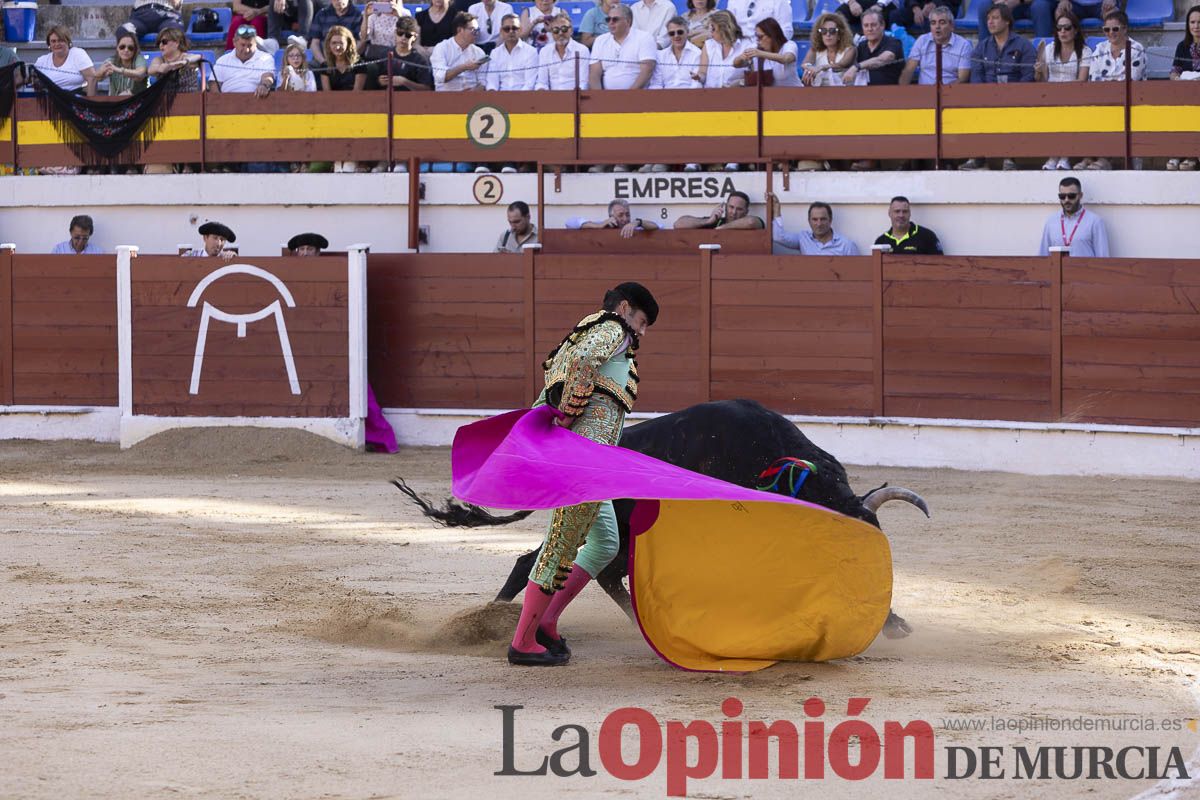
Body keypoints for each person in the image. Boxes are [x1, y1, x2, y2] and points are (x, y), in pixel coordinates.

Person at [507, 282, 659, 666]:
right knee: (560, 545)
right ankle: (523, 642)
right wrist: (568, 415)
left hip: (590, 463)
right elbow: (582, 362)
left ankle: (546, 621)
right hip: (582, 461)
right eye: (642, 322)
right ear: (624, 308)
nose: (642, 332)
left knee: (605, 541)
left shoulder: (591, 331)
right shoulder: (612, 329)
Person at [959, 3, 1035, 171]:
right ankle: (977, 157)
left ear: (1007, 21)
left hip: (1016, 97)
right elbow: (976, 77)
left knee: (1010, 111)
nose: (990, 22)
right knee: (972, 110)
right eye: (988, 19)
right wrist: (987, 97)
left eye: (995, 18)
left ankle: (1009, 156)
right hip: (986, 97)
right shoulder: (981, 47)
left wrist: (1012, 95)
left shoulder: (1024, 45)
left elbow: (1028, 76)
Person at [1077, 10, 1144, 170]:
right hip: (1103, 98)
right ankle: (1089, 157)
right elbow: (1094, 78)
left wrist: (1109, 84)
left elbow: (1132, 78)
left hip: (1131, 99)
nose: (1110, 33)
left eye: (1115, 29)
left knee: (1111, 112)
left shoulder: (1136, 49)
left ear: (1125, 29)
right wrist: (1112, 84)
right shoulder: (1100, 48)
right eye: (1107, 29)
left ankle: (1104, 158)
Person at [1036, 10, 1090, 171]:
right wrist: (1038, 72)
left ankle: (1064, 156)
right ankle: (1053, 156)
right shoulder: (1049, 49)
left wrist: (1061, 91)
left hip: (1075, 96)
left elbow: (1082, 80)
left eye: (1067, 28)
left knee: (1067, 113)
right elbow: (1042, 81)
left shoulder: (1084, 51)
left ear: (1075, 30)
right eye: (1059, 28)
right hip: (1051, 96)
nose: (1063, 32)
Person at [588, 4, 656, 91]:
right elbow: (594, 74)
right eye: (608, 19)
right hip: (607, 96)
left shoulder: (644, 37)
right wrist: (599, 96)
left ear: (628, 21)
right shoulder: (600, 40)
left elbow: (647, 71)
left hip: (637, 94)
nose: (611, 22)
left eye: (615, 19)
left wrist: (628, 95)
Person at [899, 6, 972, 85]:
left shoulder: (963, 45)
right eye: (933, 23)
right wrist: (902, 90)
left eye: (942, 22)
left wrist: (943, 90)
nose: (937, 27)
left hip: (951, 90)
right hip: (924, 90)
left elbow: (962, 79)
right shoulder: (922, 40)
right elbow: (908, 70)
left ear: (951, 26)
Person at [1038, 176, 1109, 256]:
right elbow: (1043, 256)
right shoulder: (1051, 222)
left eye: (1071, 196)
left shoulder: (1095, 222)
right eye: (1062, 196)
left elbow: (1103, 257)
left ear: (1080, 195)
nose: (1066, 200)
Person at [1166, 5, 1200, 171]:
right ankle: (1181, 152)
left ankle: (1192, 155)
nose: (1196, 26)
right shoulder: (1182, 46)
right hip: (1186, 93)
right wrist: (1178, 79)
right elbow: (1174, 71)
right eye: (1192, 22)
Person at [771, 199, 860, 255]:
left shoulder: (846, 245)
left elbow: (856, 271)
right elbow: (778, 237)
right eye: (815, 219)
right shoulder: (803, 238)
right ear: (809, 221)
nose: (819, 224)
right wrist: (777, 210)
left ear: (830, 220)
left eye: (823, 219)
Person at [842, 7, 904, 87]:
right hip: (865, 91)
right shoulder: (861, 46)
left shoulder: (893, 42)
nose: (870, 29)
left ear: (882, 25)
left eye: (873, 25)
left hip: (890, 92)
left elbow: (882, 60)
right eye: (866, 25)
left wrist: (856, 67)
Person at [733, 17, 801, 88]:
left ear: (772, 35)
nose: (758, 40)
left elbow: (786, 58)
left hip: (793, 91)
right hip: (769, 93)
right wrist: (742, 57)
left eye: (760, 37)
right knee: (735, 84)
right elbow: (736, 64)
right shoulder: (757, 48)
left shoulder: (789, 45)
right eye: (757, 37)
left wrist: (760, 54)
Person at [213, 25, 277, 97]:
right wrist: (218, 100)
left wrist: (264, 85)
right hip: (227, 99)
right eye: (243, 45)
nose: (246, 50)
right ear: (234, 42)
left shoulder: (266, 58)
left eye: (250, 45)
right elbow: (214, 83)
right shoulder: (222, 60)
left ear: (256, 44)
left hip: (256, 99)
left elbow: (268, 76)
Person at [373, 17, 434, 91]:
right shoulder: (384, 55)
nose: (403, 38)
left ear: (414, 37)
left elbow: (427, 89)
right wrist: (379, 81)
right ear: (395, 33)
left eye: (408, 35)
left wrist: (405, 82)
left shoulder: (420, 60)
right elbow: (373, 82)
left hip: (410, 97)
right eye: (400, 33)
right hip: (385, 96)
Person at [431, 12, 488, 91]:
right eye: (473, 30)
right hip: (447, 95)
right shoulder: (442, 48)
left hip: (472, 95)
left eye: (477, 30)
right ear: (460, 30)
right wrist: (464, 67)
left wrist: (472, 93)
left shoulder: (479, 52)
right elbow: (440, 77)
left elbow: (483, 82)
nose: (476, 33)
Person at [534, 12, 590, 90]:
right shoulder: (545, 51)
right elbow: (542, 82)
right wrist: (541, 90)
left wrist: (577, 92)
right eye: (556, 30)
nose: (560, 33)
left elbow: (584, 82)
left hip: (575, 95)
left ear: (571, 30)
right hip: (552, 96)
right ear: (552, 33)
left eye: (564, 29)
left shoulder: (582, 50)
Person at [34, 27, 97, 95]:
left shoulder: (78, 54)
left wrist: (89, 101)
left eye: (61, 40)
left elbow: (92, 78)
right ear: (49, 44)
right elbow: (35, 83)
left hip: (74, 98)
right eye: (53, 41)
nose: (57, 44)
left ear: (68, 42)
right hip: (50, 98)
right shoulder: (42, 61)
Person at [800, 12, 854, 87]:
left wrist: (822, 67)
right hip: (821, 91)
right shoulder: (815, 50)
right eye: (824, 31)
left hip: (845, 91)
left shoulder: (850, 50)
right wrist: (810, 69)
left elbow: (842, 65)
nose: (828, 34)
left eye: (832, 31)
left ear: (840, 34)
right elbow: (804, 64)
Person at [874, 196, 943, 254]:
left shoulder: (927, 237)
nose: (901, 215)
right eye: (897, 211)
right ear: (889, 213)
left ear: (910, 213)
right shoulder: (881, 242)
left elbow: (940, 263)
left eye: (905, 211)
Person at [487, 13, 538, 90]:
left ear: (520, 30)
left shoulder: (531, 52)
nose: (511, 31)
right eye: (507, 29)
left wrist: (516, 97)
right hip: (500, 95)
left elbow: (529, 84)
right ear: (501, 31)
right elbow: (492, 82)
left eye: (514, 28)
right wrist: (493, 93)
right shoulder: (495, 53)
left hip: (524, 95)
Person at [700, 10, 747, 89]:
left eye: (713, 29)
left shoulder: (746, 45)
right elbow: (702, 73)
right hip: (709, 94)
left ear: (724, 29)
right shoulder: (708, 45)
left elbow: (752, 77)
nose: (711, 33)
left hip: (737, 93)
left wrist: (735, 85)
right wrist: (698, 77)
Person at [148, 27, 204, 92]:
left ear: (177, 43)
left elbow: (198, 57)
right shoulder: (159, 60)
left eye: (164, 42)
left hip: (188, 95)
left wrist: (183, 62)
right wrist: (163, 68)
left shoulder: (185, 57)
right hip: (165, 96)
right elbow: (150, 70)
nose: (161, 45)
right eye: (159, 43)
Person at [673, 191, 765, 230]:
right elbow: (678, 224)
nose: (734, 212)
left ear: (746, 212)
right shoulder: (715, 221)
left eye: (739, 209)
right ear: (725, 206)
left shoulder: (750, 220)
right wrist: (707, 222)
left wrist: (722, 228)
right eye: (731, 207)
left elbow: (751, 222)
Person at [309, 0, 364, 65]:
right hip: (323, 60)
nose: (338, 1)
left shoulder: (358, 15)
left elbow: (361, 42)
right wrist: (323, 62)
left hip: (349, 61)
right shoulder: (322, 14)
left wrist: (348, 60)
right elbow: (314, 43)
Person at [96, 31, 149, 96]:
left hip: (135, 99)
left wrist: (118, 70)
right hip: (115, 100)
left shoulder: (139, 59)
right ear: (117, 48)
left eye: (130, 48)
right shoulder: (112, 60)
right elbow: (97, 78)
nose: (126, 50)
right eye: (122, 47)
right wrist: (102, 73)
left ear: (135, 50)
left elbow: (140, 73)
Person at [579, 199, 661, 238]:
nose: (625, 219)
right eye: (620, 215)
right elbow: (573, 222)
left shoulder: (635, 227)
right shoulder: (603, 224)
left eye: (627, 214)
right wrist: (599, 225)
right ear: (611, 217)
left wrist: (638, 222)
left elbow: (658, 226)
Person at [725, 0, 792, 44]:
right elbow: (728, 26)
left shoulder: (780, 1)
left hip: (766, 52)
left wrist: (767, 50)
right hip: (737, 48)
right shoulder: (733, 1)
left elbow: (786, 31)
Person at [977, 0, 1053, 38]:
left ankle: (1044, 52)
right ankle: (984, 53)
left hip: (1033, 4)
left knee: (1041, 6)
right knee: (984, 6)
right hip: (1007, 4)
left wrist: (1018, 1)